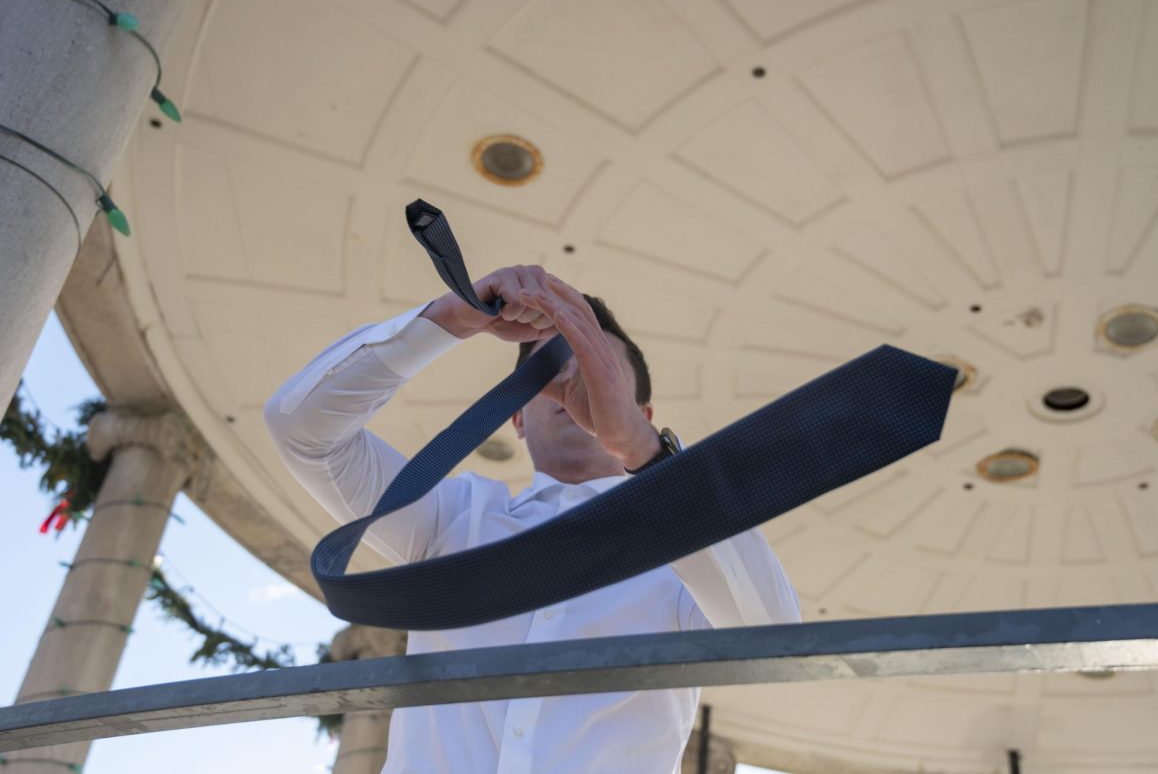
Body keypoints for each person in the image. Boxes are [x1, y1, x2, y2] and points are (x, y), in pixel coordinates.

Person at [263, 264, 802, 774]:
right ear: (517, 416)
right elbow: (302, 429)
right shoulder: (451, 520)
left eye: (601, 373)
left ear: (645, 415)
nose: (576, 389)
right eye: (553, 374)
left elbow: (775, 641)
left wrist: (643, 452)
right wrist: (448, 321)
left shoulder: (688, 560)